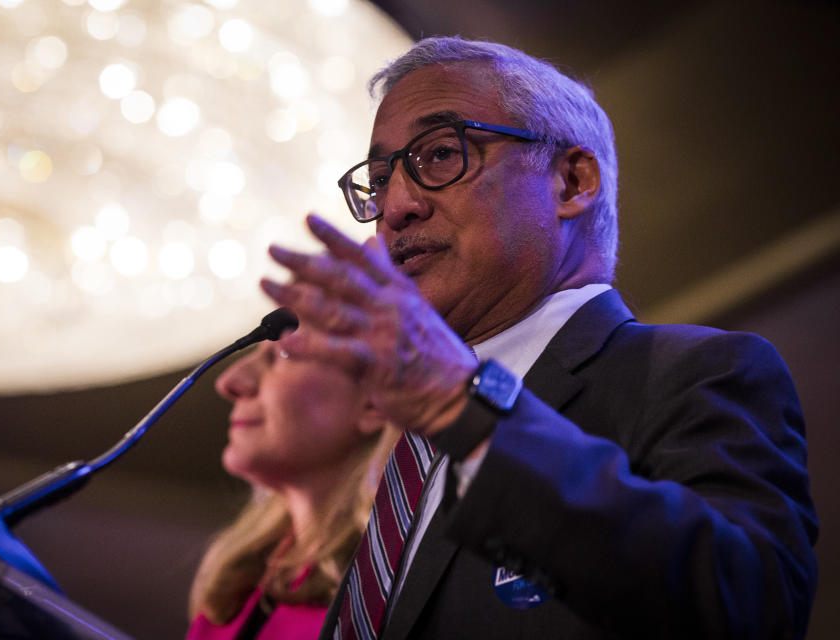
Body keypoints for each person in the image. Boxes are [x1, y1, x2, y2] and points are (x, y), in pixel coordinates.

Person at [258, 37, 818, 639]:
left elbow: (750, 608)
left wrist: (459, 405)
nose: (395, 206)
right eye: (379, 177)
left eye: (440, 154)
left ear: (572, 182)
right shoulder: (410, 457)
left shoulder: (697, 371)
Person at [185, 341, 397, 640]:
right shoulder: (240, 574)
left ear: (374, 402)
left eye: (284, 353)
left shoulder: (391, 586)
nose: (230, 381)